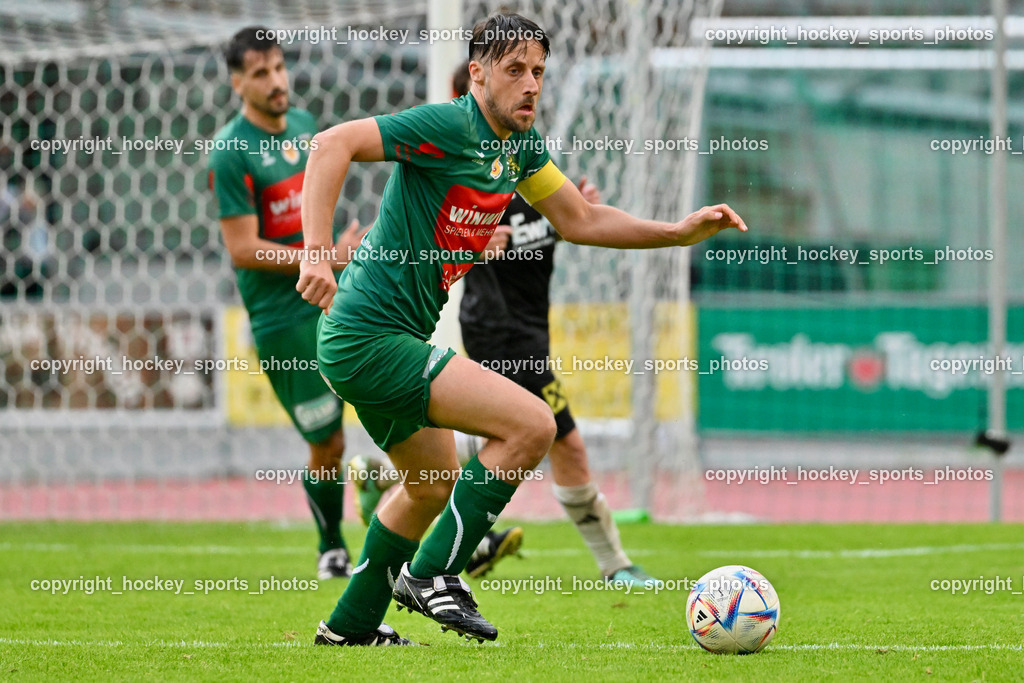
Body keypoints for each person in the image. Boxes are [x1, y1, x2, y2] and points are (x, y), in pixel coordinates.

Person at [298, 11, 746, 646]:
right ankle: (433, 575)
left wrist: (676, 232)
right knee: (533, 425)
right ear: (477, 74)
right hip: (367, 337)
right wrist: (316, 253)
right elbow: (330, 144)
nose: (531, 83)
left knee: (429, 485)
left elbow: (581, 219)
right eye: (515, 70)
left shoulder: (519, 148)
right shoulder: (450, 125)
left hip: (384, 340)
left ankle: (348, 627)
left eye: (538, 70)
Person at [208, 27, 375, 581]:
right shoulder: (230, 152)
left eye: (279, 67)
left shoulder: (305, 126)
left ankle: (398, 507)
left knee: (394, 405)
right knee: (328, 440)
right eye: (260, 73)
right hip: (283, 320)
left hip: (334, 295)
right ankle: (332, 548)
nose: (276, 80)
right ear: (237, 83)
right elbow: (242, 248)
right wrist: (322, 256)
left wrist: (330, 253)